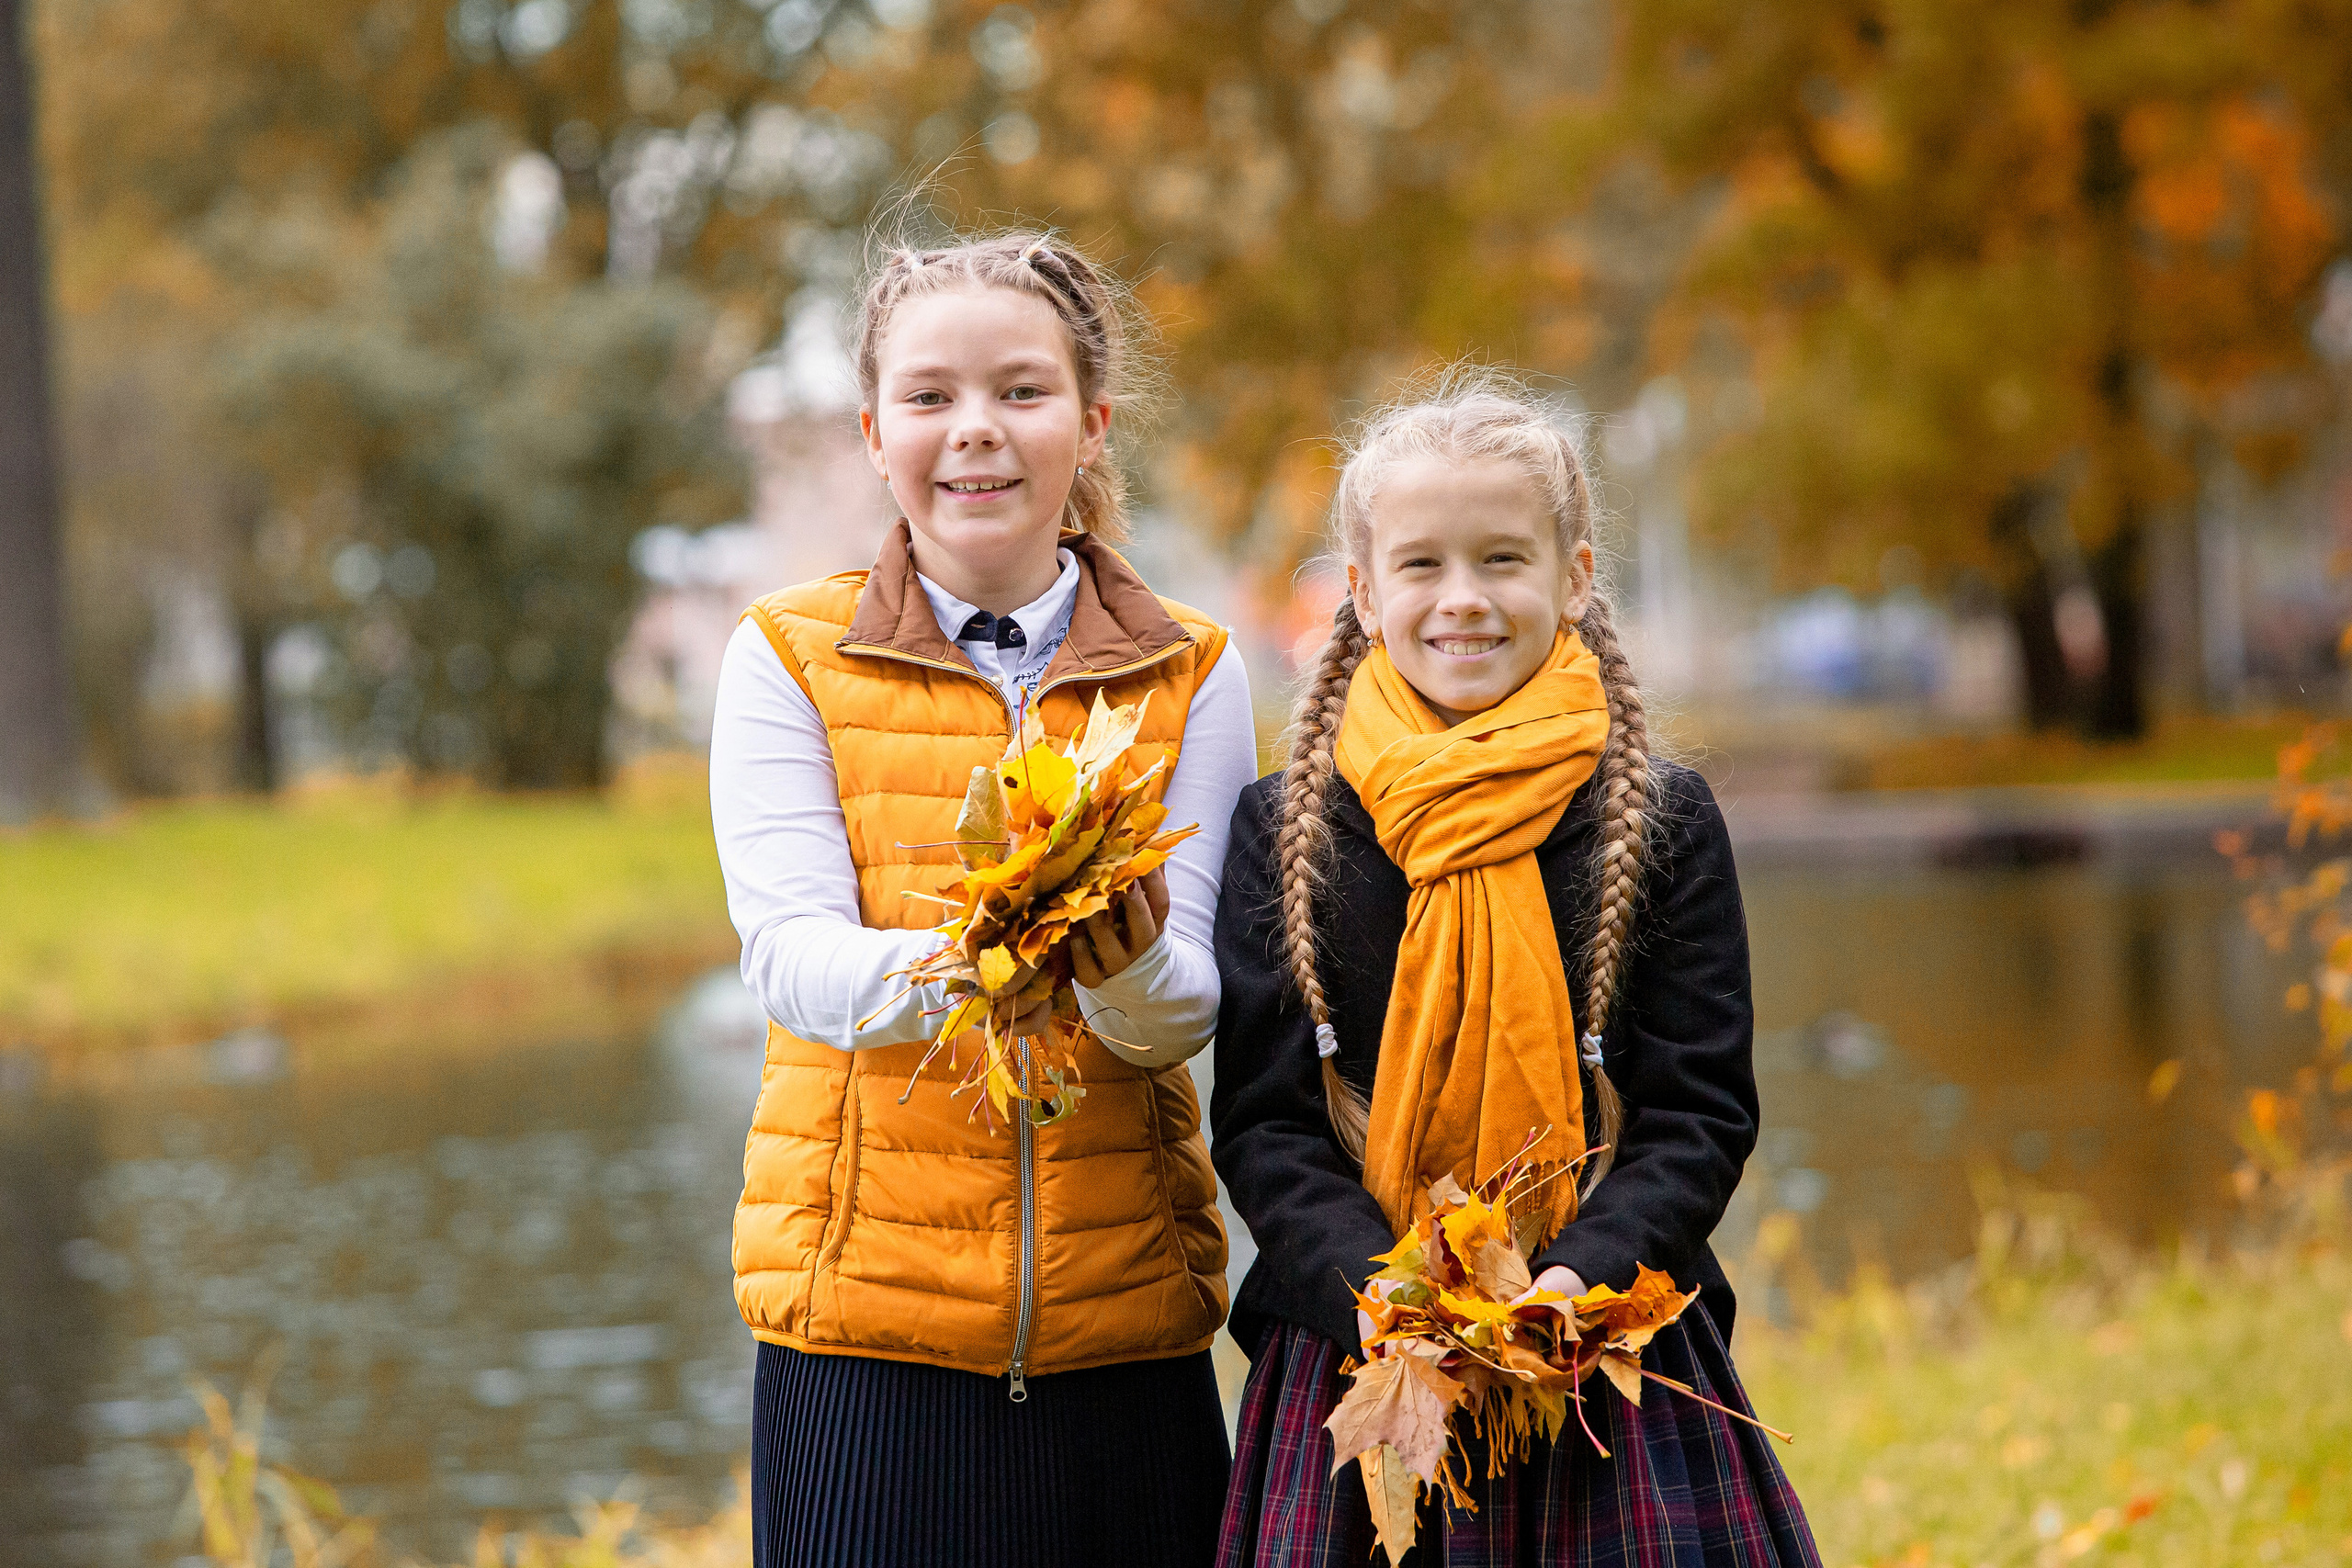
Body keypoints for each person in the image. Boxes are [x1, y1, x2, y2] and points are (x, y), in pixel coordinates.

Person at [708, 230, 1254, 1568]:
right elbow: (789, 960)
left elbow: (1185, 1009)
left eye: (1022, 391)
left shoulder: (1198, 671)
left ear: (1091, 422)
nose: (978, 434)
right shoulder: (789, 655)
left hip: (1125, 1325)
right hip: (864, 1329)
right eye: (931, 396)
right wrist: (985, 958)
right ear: (874, 430)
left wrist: (1119, 965)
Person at [1211, 374, 1821, 1565]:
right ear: (1364, 588)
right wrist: (1380, 1297)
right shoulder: (1287, 825)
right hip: (1361, 1353)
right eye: (1423, 566)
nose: (1464, 601)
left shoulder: (1662, 817)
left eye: (1502, 559)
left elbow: (1698, 1112)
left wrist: (1571, 1285)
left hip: (1598, 1348)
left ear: (1575, 575)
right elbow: (1264, 1126)